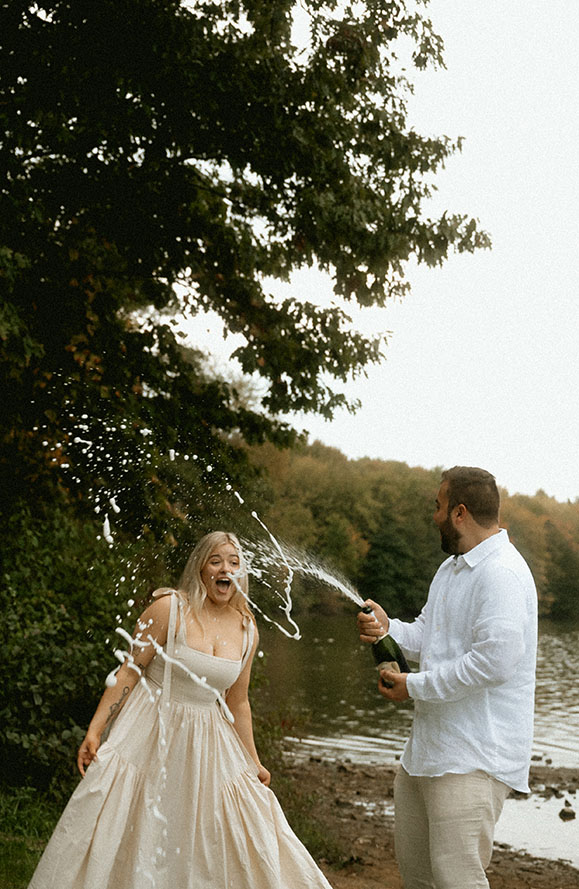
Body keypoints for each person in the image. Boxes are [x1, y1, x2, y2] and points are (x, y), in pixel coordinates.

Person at [29, 531, 334, 889]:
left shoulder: (247, 627)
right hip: (150, 729)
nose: (226, 569)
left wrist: (253, 761)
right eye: (216, 560)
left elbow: (238, 700)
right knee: (130, 821)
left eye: (234, 562)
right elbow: (130, 669)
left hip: (208, 740)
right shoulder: (169, 608)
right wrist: (96, 729)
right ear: (201, 567)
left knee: (220, 827)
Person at [358, 467, 537, 889]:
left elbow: (493, 663)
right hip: (427, 753)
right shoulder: (452, 569)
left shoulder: (503, 573)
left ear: (459, 512)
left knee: (458, 879)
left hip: (475, 758)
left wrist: (413, 686)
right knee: (418, 876)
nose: (433, 516)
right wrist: (388, 629)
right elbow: (426, 635)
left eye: (438, 507)